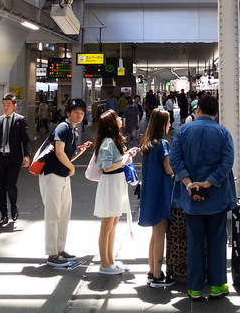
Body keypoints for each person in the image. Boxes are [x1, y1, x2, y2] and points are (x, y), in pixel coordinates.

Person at [169, 95, 237, 301]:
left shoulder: (183, 131)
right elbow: (227, 162)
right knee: (217, 240)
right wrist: (208, 183)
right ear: (215, 113)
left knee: (195, 242)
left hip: (190, 198)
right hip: (217, 197)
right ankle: (217, 286)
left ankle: (195, 288)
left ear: (197, 110)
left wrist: (190, 184)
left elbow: (175, 160)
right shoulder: (223, 132)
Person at [40, 99, 90, 266]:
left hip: (62, 175)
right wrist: (72, 168)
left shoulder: (73, 131)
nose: (79, 115)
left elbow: (67, 157)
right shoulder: (62, 127)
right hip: (52, 175)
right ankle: (52, 255)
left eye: (82, 112)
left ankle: (60, 249)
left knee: (64, 214)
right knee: (53, 214)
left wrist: (79, 152)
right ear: (68, 113)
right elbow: (60, 153)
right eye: (76, 112)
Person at [93, 111, 139, 275]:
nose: (120, 119)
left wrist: (127, 155)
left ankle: (110, 261)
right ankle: (104, 264)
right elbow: (105, 166)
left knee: (112, 224)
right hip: (111, 182)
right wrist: (124, 160)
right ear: (112, 123)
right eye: (117, 117)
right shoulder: (107, 142)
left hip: (117, 182)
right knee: (107, 225)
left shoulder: (113, 140)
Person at [138, 108, 175, 288]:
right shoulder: (163, 144)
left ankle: (152, 271)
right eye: (168, 122)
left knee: (155, 234)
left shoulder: (147, 143)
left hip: (149, 192)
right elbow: (169, 169)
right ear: (162, 125)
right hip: (161, 192)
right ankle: (158, 276)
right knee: (160, 235)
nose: (170, 125)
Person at [0, 93, 31, 227]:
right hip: (0, 158)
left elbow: (25, 139)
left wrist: (26, 155)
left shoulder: (20, 120)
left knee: (10, 186)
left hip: (14, 159)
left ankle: (14, 205)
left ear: (14, 106)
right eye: (4, 105)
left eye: (8, 105)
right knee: (0, 188)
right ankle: (4, 215)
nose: (5, 107)